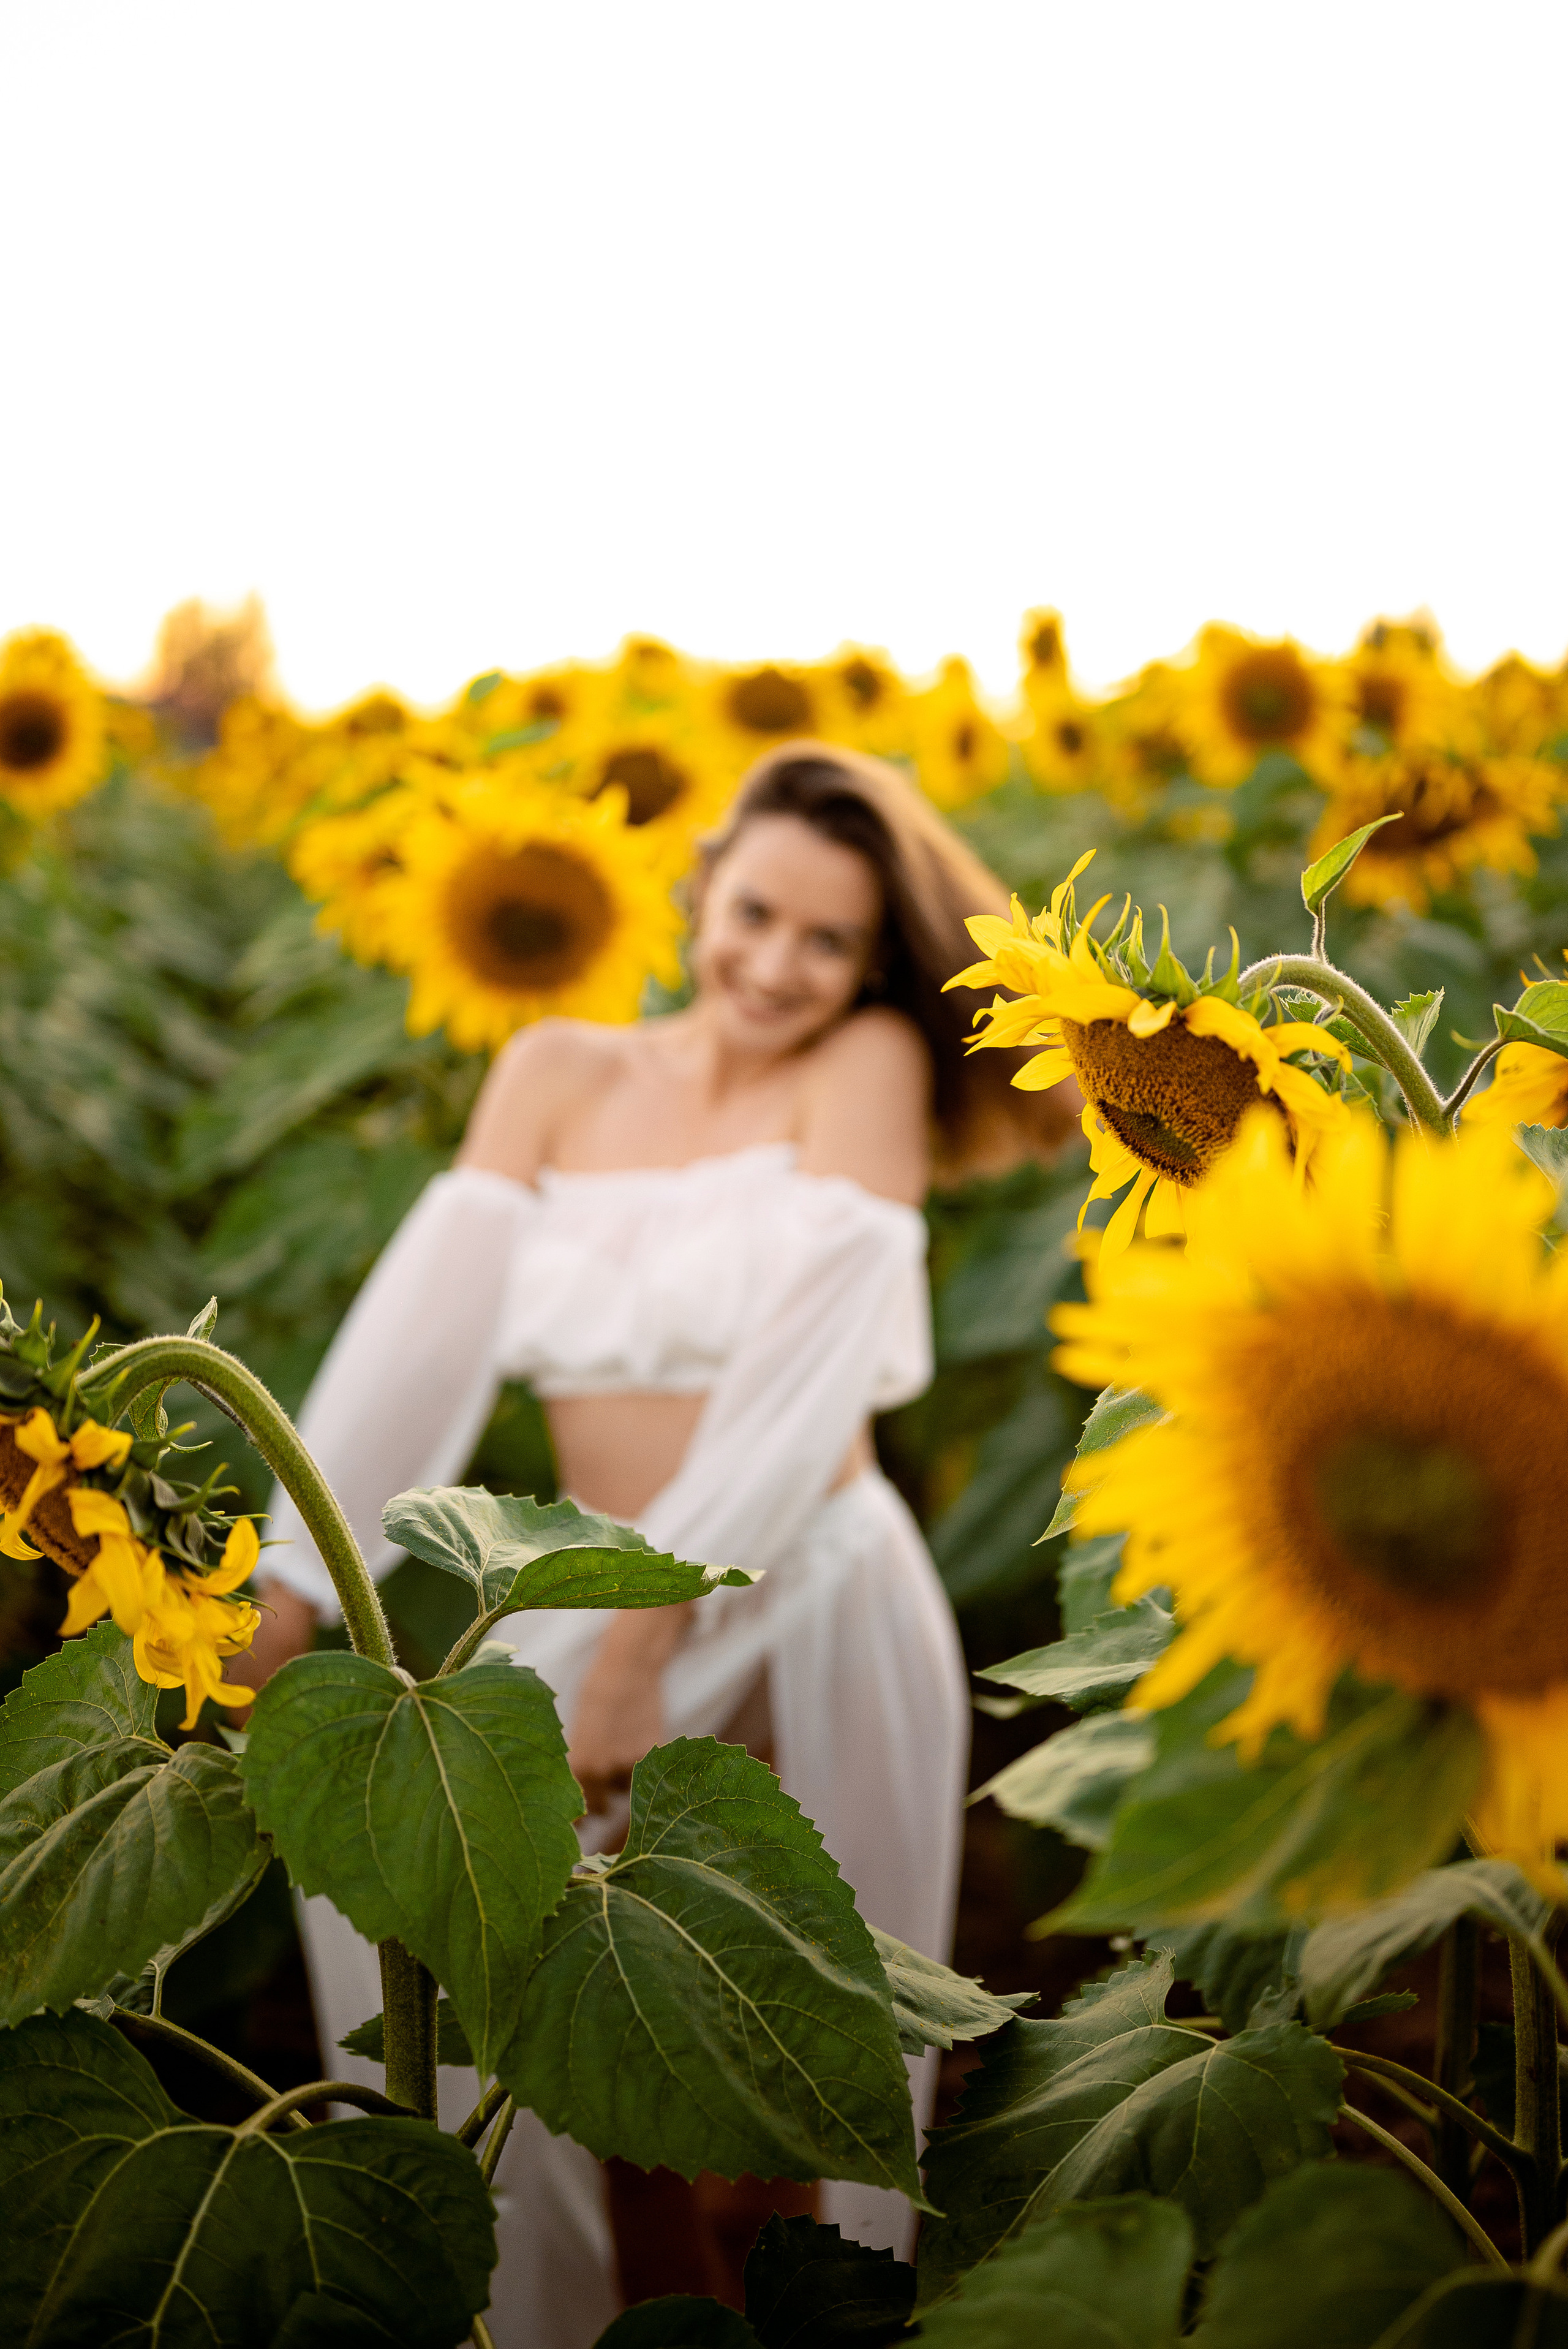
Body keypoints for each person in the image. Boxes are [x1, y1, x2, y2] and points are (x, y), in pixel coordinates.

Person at [243, 742, 1066, 2348]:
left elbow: (801, 1386)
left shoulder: (864, 1063)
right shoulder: (556, 1067)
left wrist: (643, 1646)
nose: (777, 965)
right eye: (755, 913)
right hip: (588, 1578)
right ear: (700, 888)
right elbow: (423, 1335)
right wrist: (287, 1578)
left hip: (806, 1582)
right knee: (462, 1955)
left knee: (809, 2056)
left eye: (829, 940)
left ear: (873, 962)